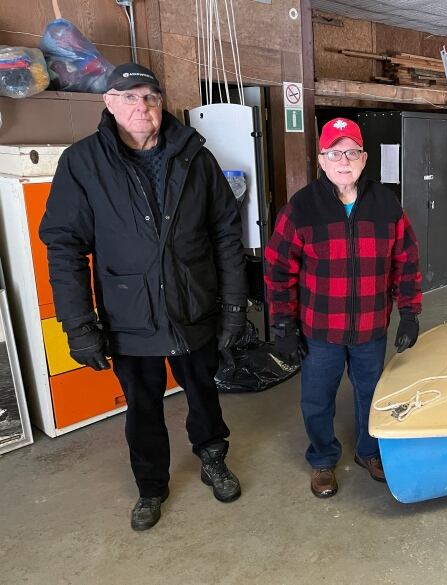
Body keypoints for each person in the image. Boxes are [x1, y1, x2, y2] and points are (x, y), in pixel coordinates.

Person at [39, 63, 247, 531]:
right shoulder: (83, 163)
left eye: (149, 98)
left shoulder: (195, 156)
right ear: (108, 104)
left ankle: (213, 457)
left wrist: (234, 307)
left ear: (161, 103)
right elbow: (65, 247)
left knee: (204, 396)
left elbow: (226, 235)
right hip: (128, 315)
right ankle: (151, 487)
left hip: (193, 306)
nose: (141, 107)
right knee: (143, 407)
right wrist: (78, 325)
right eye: (128, 98)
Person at [265, 117, 422, 498]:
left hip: (370, 327)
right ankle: (322, 458)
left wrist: (410, 312)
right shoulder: (301, 209)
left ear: (365, 158)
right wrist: (282, 326)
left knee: (371, 393)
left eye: (352, 152)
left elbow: (407, 260)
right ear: (321, 159)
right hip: (320, 331)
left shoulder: (387, 205)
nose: (343, 161)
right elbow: (277, 268)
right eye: (334, 153)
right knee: (317, 398)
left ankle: (369, 451)